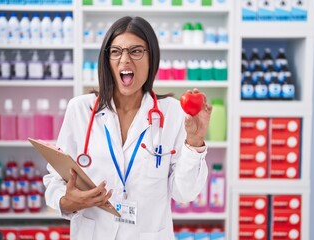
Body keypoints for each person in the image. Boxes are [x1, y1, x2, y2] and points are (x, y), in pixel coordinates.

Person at [43, 16, 212, 240]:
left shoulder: (172, 113)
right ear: (107, 60)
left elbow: (185, 193)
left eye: (136, 51)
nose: (124, 59)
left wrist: (195, 142)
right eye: (116, 52)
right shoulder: (80, 110)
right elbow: (54, 179)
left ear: (152, 57)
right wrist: (66, 201)